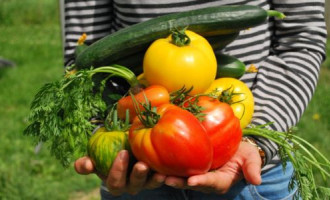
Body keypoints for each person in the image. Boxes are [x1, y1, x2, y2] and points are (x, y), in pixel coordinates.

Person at [60, 0, 327, 199]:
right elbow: (84, 64)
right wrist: (107, 139)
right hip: (137, 167)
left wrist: (258, 141)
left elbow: (302, 40)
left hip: (250, 173)